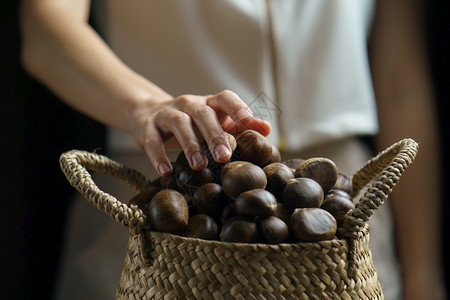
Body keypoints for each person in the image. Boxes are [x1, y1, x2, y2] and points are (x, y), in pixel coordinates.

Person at [19, 1, 445, 299]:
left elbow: (399, 81)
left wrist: (423, 272)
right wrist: (145, 105)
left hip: (340, 208)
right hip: (173, 196)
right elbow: (46, 30)